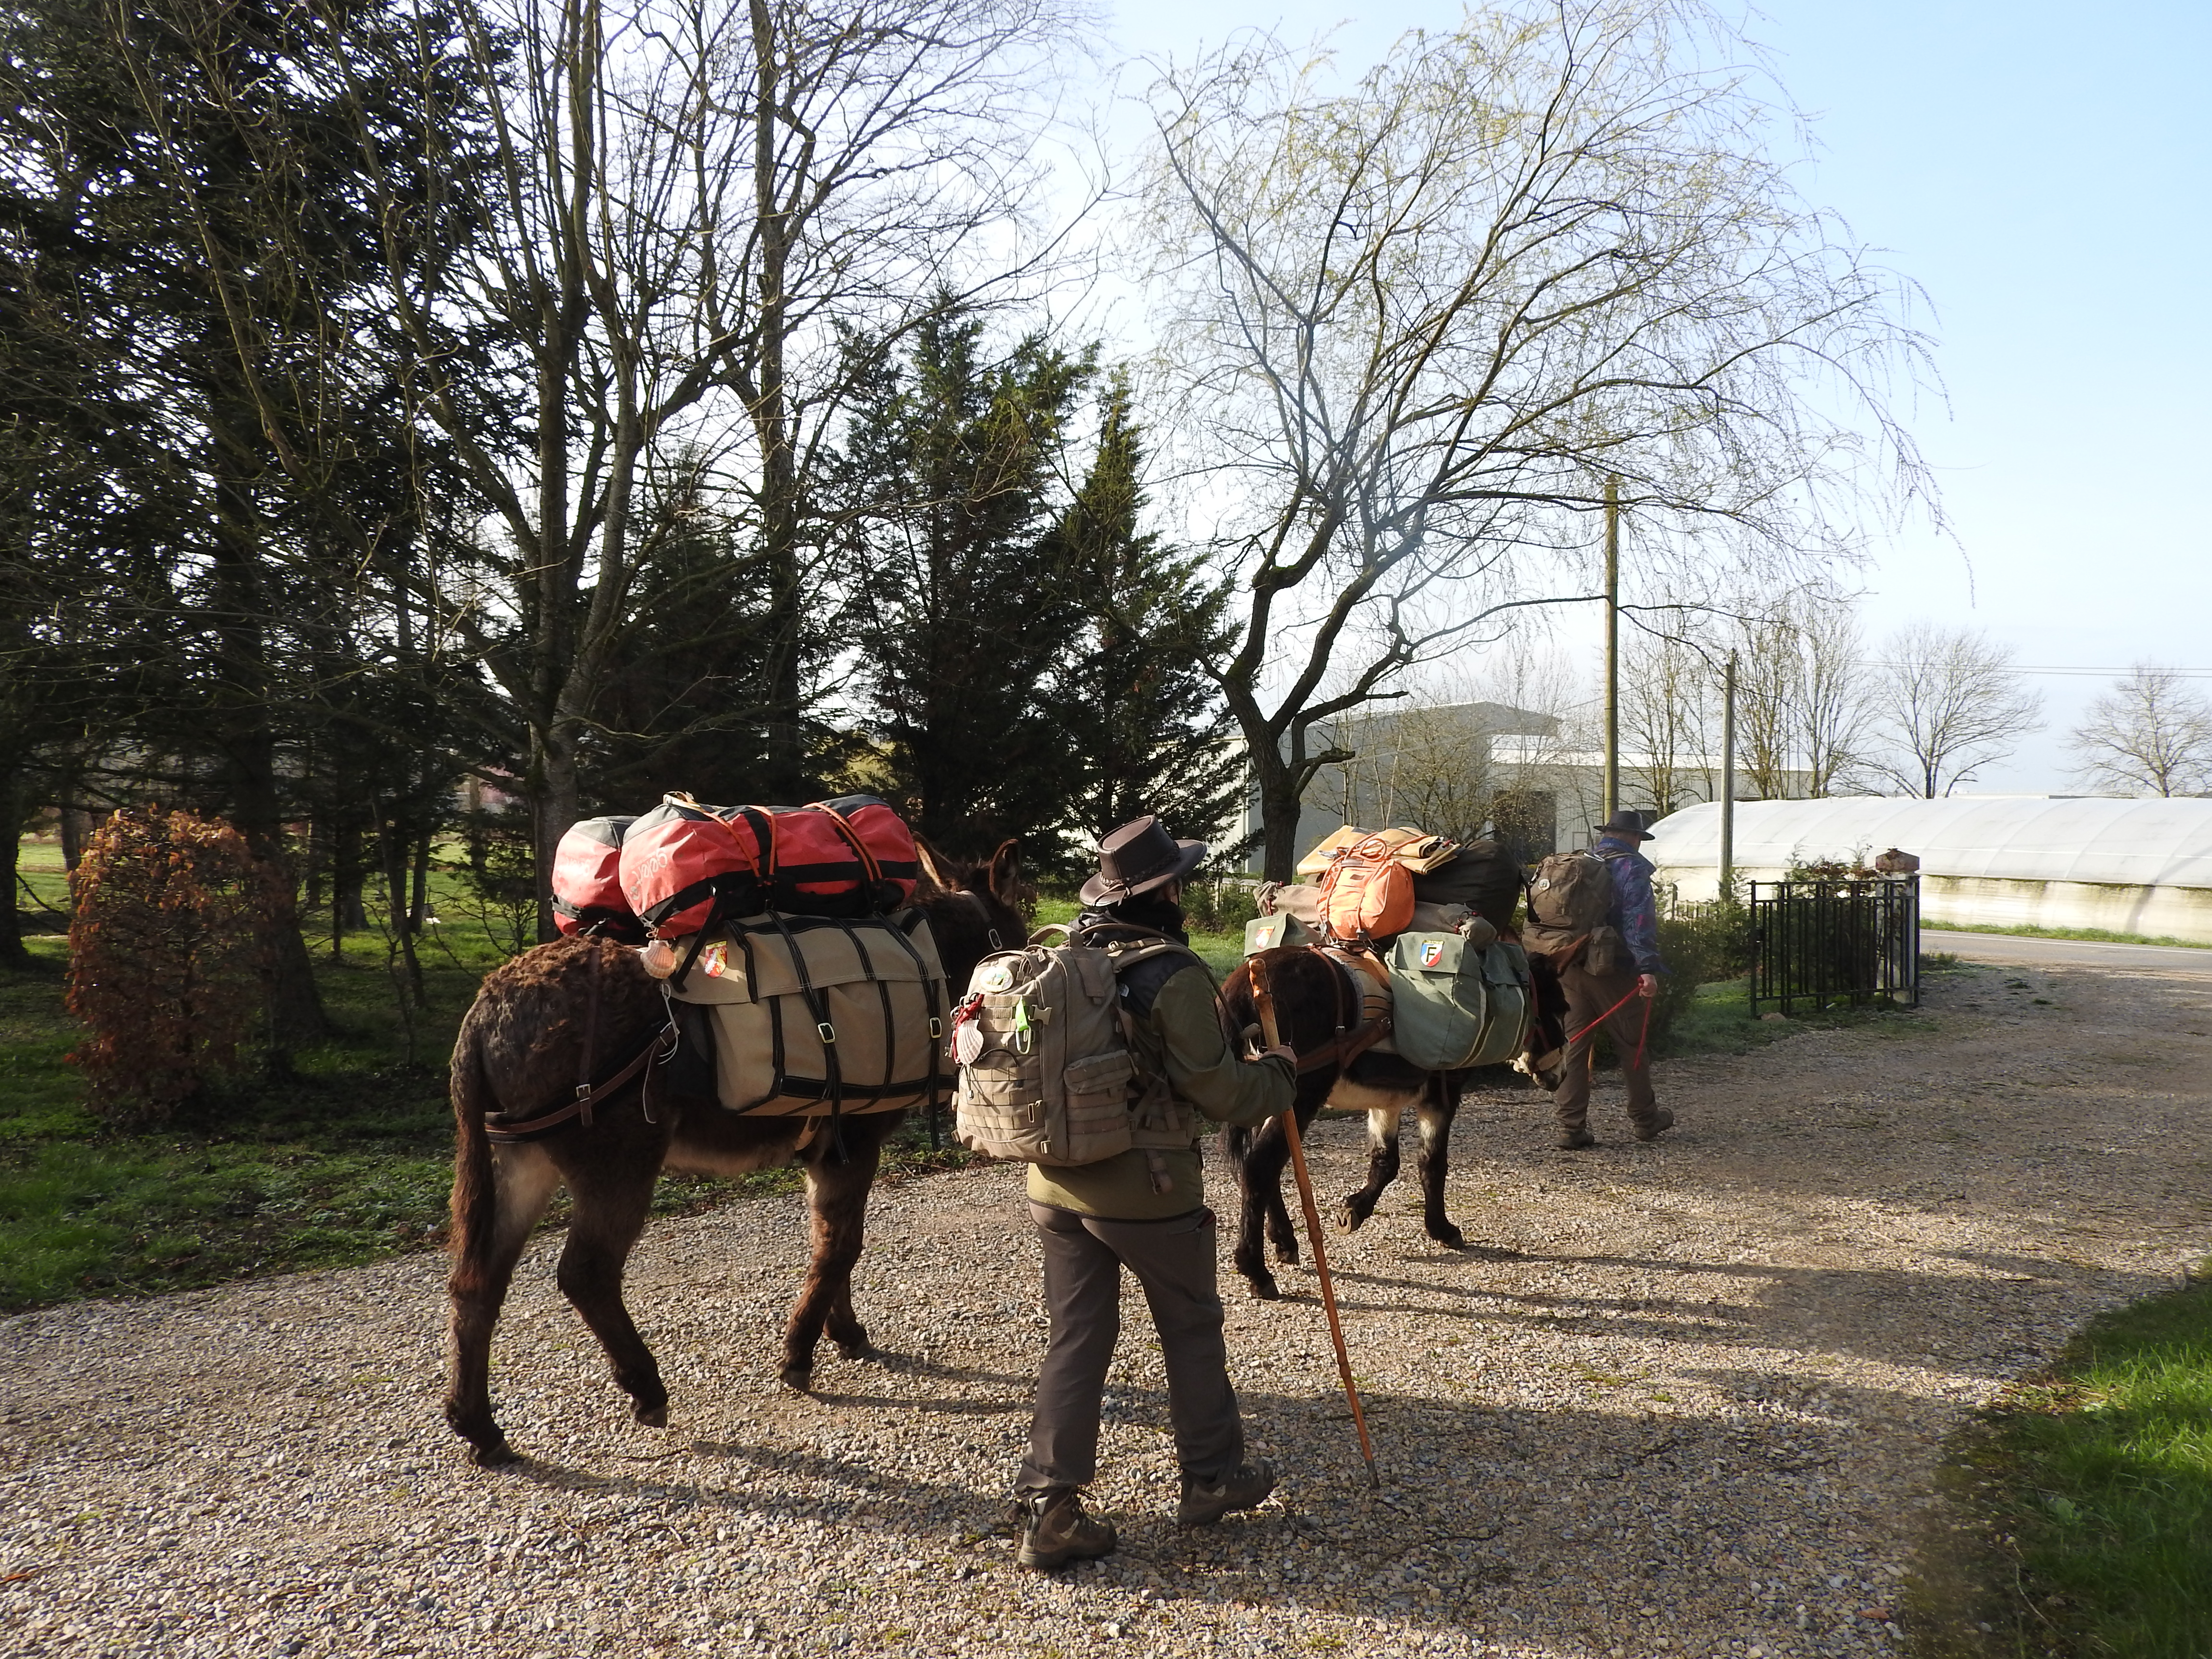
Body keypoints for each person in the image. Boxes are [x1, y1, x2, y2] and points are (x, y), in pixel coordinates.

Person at [1012, 816, 1299, 1571]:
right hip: (1147, 1189)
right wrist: (1281, 1070)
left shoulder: (1070, 953)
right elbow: (1224, 1093)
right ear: (1163, 891)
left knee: (1077, 1338)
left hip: (1054, 1182)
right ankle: (1211, 1479)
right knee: (1193, 1325)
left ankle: (1050, 1508)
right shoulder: (1169, 973)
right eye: (1178, 880)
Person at [1552, 809, 1675, 1150]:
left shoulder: (1579, 862)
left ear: (1607, 833)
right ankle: (1645, 1118)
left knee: (1574, 1046)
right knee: (1631, 1044)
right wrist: (1646, 968)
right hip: (1613, 970)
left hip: (1570, 965)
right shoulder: (1631, 867)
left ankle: (1570, 1127)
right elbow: (1639, 922)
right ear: (1635, 838)